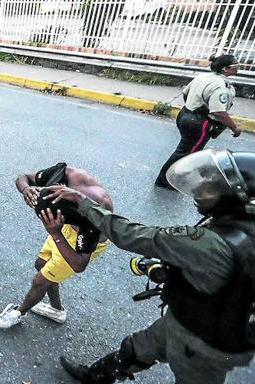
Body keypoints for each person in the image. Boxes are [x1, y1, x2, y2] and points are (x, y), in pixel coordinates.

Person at [48, 149, 255, 384]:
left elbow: (129, 234)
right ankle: (95, 377)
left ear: (234, 197)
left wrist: (82, 203)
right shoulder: (244, 229)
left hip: (202, 342)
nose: (199, 191)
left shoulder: (208, 242)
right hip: (205, 321)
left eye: (212, 188)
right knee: (136, 349)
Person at [0, 163, 112, 328]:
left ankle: (19, 312)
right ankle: (56, 310)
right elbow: (23, 178)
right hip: (63, 228)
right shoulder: (63, 174)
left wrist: (56, 233)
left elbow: (79, 264)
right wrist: (26, 189)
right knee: (41, 264)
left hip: (82, 241)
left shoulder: (95, 215)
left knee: (40, 281)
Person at [155, 55, 242, 189]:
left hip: (185, 114)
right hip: (199, 123)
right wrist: (234, 128)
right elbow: (218, 112)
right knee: (187, 153)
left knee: (185, 149)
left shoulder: (203, 77)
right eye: (236, 66)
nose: (239, 68)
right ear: (226, 69)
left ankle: (171, 178)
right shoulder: (221, 86)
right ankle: (165, 180)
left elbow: (186, 93)